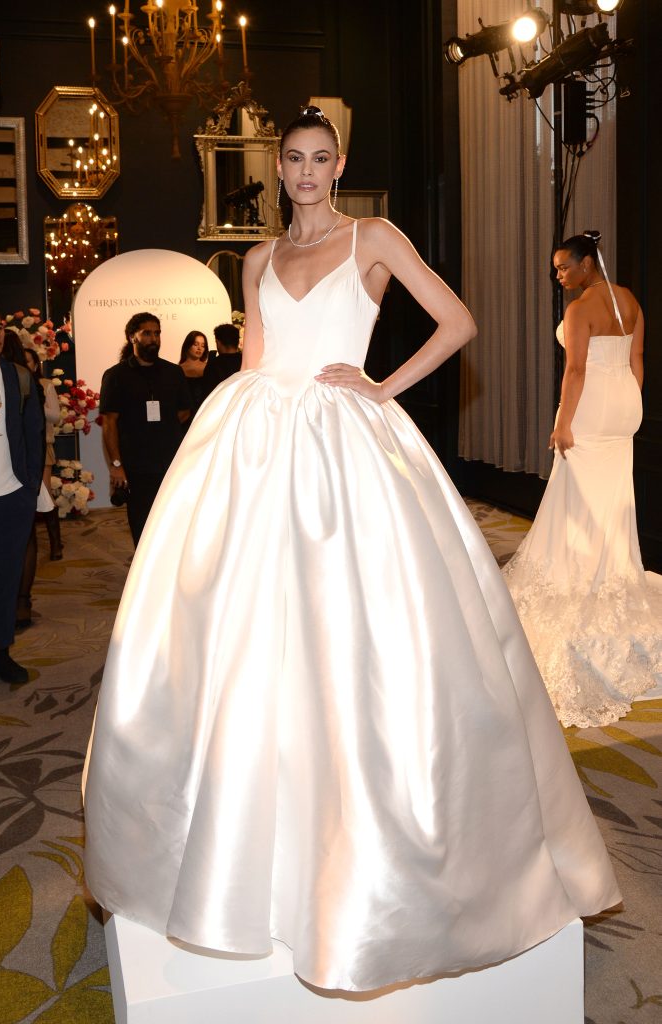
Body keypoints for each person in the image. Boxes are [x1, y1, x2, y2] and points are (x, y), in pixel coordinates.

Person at [84, 109, 620, 993]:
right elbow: (254, 358)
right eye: (291, 160)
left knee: (355, 632)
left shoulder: (373, 236)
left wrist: (380, 387)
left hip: (344, 441)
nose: (303, 172)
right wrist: (224, 437)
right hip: (254, 441)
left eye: (318, 159)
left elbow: (456, 322)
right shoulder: (253, 260)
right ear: (277, 166)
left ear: (339, 165)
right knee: (235, 629)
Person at [503, 231, 661, 728]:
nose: (559, 275)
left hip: (589, 407)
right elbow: (637, 362)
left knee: (580, 495)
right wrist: (627, 401)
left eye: (563, 267)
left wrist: (563, 423)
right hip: (625, 406)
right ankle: (610, 566)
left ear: (588, 264)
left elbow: (574, 371)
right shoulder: (631, 300)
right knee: (613, 492)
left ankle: (581, 572)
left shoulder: (578, 311)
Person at [0, 300, 42, 682]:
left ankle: (0, 653)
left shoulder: (18, 376)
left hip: (12, 496)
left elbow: (35, 432)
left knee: (7, 578)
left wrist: (29, 485)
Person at [99, 313, 191, 546]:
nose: (154, 339)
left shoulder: (173, 372)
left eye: (157, 333)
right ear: (132, 337)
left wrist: (163, 430)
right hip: (136, 465)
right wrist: (116, 466)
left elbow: (184, 411)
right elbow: (109, 423)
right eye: (147, 333)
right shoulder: (116, 376)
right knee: (142, 525)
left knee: (173, 521)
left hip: (171, 463)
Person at [24, 346, 63, 560]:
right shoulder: (13, 384)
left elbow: (55, 416)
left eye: (30, 361)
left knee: (44, 493)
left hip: (42, 444)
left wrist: (35, 402)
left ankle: (56, 543)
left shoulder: (45, 385)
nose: (26, 365)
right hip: (19, 446)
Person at [201, 322, 242, 399]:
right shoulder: (246, 362)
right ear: (237, 341)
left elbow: (208, 396)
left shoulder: (213, 366)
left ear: (218, 342)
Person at [178, 330, 209, 421]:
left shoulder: (209, 368)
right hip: (185, 418)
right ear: (187, 345)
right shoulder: (178, 370)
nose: (199, 348)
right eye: (196, 344)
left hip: (205, 415)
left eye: (203, 345)